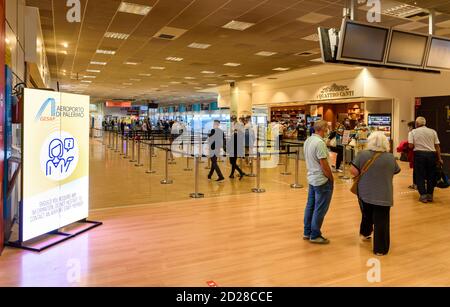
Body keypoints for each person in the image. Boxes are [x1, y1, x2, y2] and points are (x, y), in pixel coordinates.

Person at [350, 132, 401, 256]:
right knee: (382, 220)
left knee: (366, 213)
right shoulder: (390, 157)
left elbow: (353, 171)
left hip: (365, 192)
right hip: (384, 194)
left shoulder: (362, 155)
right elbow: (396, 170)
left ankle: (366, 232)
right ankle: (380, 249)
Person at [303, 120, 334, 244]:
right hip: (321, 180)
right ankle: (315, 234)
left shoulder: (308, 140)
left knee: (310, 206)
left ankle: (307, 231)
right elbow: (324, 165)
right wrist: (330, 178)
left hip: (311, 178)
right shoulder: (320, 143)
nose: (328, 130)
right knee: (320, 208)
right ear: (323, 129)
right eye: (327, 128)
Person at [408, 116, 443, 203]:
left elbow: (411, 146)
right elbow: (437, 146)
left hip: (419, 155)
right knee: (431, 175)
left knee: (420, 175)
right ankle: (430, 195)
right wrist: (439, 158)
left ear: (416, 124)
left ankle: (423, 195)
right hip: (432, 155)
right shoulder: (433, 131)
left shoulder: (412, 132)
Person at [407, 121, 417, 190]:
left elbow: (410, 146)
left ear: (411, 126)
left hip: (415, 153)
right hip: (429, 153)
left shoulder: (411, 133)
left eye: (409, 126)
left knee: (416, 169)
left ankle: (415, 184)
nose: (408, 128)